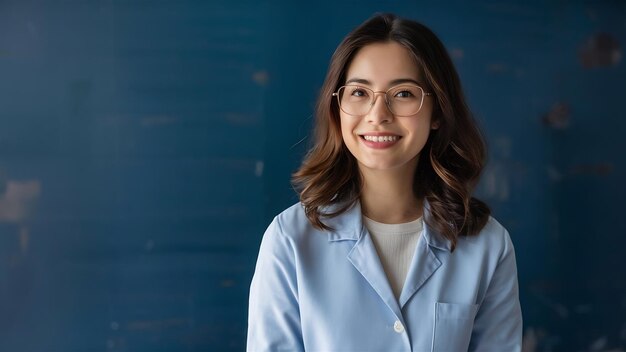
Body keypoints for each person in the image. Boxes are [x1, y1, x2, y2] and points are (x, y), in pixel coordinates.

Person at [247, 13, 522, 351]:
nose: (378, 115)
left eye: (403, 93)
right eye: (359, 92)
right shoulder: (289, 241)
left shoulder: (488, 246)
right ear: (337, 107)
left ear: (437, 112)